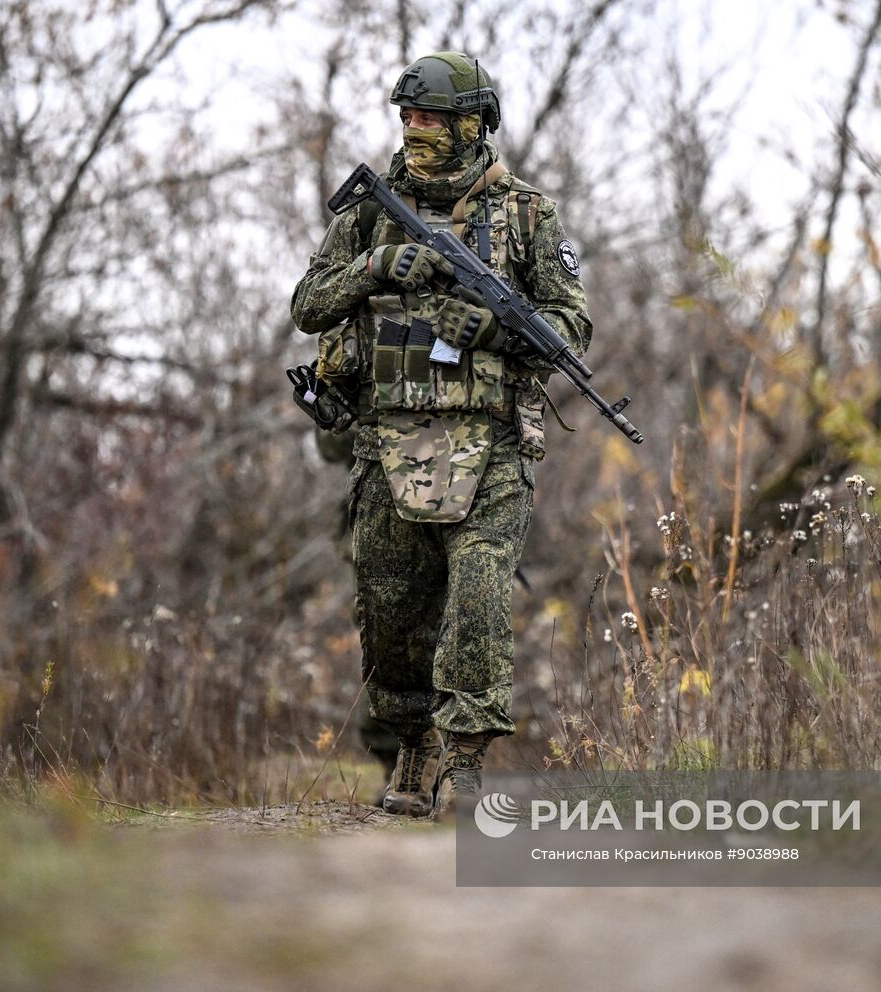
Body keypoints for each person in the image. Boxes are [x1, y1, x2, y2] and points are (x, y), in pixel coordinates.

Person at [290, 52, 592, 816]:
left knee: (480, 599)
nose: (414, 130)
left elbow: (570, 322)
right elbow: (310, 303)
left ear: (471, 123)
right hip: (385, 443)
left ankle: (463, 764)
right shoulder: (368, 211)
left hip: (490, 444)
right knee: (392, 615)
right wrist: (380, 265)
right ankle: (412, 746)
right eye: (407, 117)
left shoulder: (525, 212)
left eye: (429, 118)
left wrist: (494, 327)